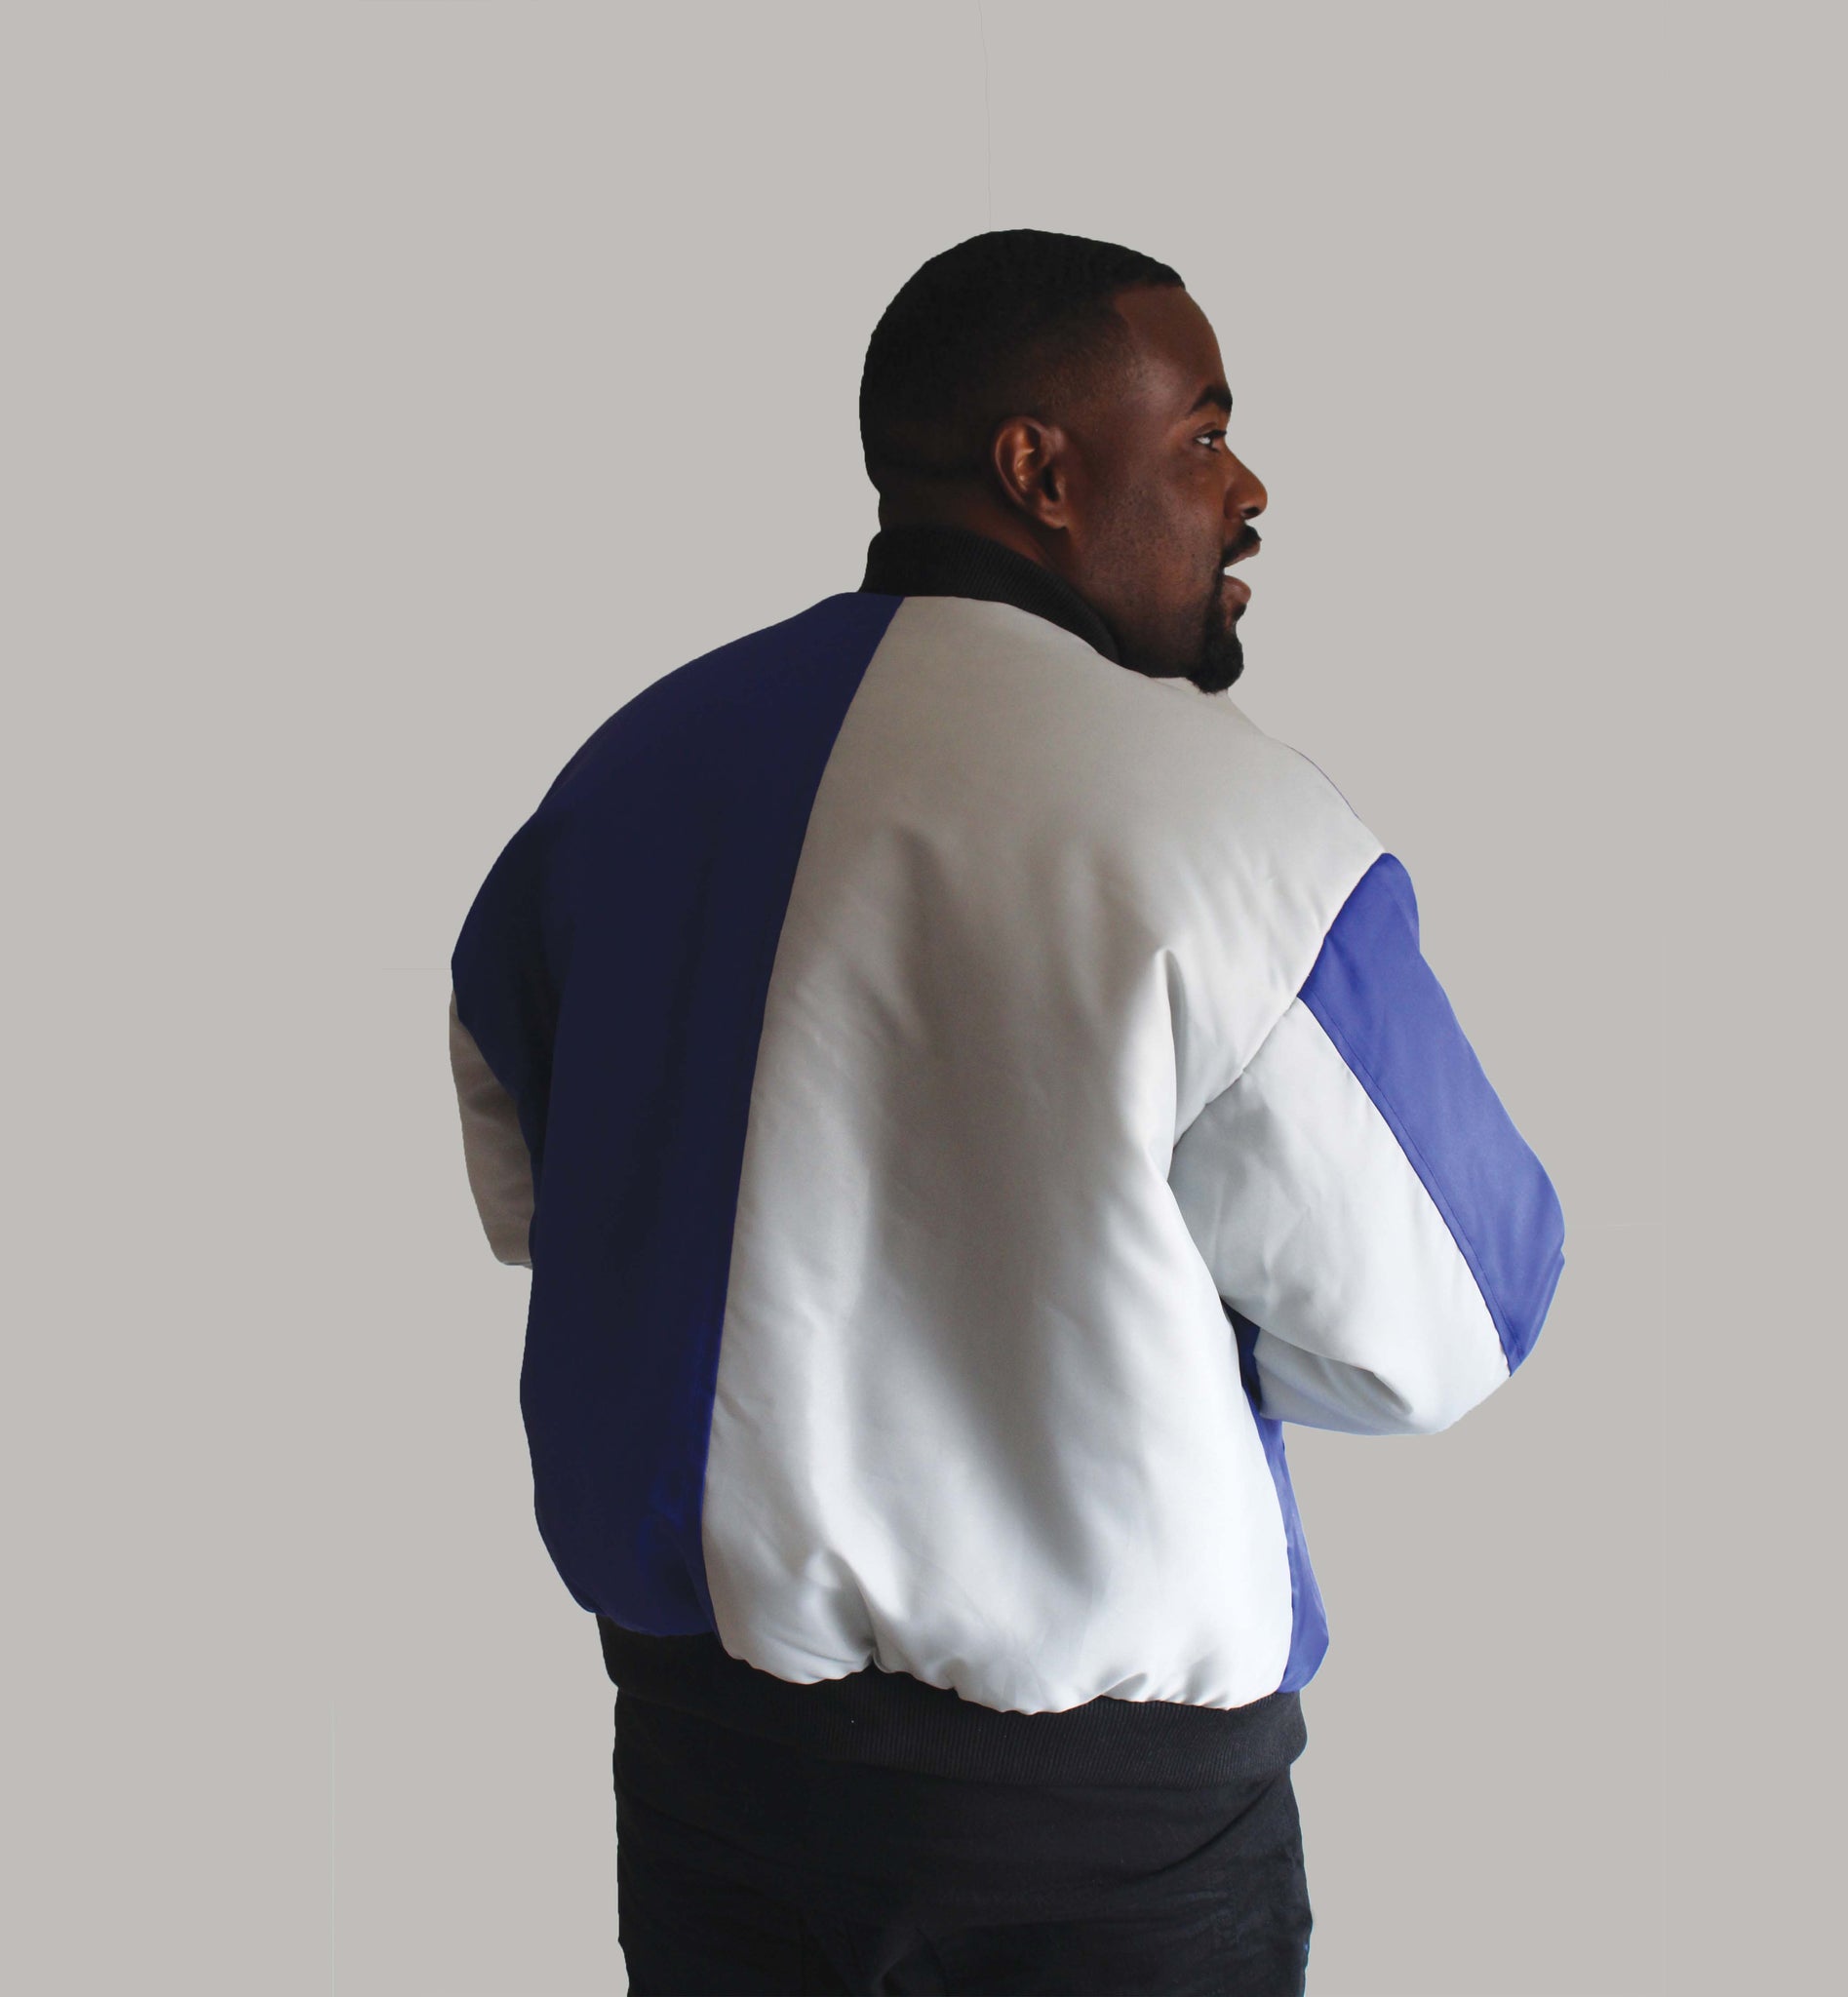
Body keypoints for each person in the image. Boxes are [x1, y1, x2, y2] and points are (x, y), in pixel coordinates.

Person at [448, 228, 1565, 1996]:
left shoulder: (623, 780)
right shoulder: (1235, 835)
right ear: (1040, 469)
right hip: (1098, 1847)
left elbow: (547, 1203)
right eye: (1203, 436)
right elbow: (1455, 1321)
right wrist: (1133, 1314)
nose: (1247, 491)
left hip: (708, 1783)